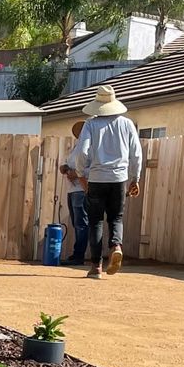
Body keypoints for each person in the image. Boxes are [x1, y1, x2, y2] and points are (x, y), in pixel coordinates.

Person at [68, 85, 142, 277]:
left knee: (96, 222)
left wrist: (81, 174)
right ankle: (116, 245)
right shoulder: (126, 124)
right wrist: (136, 178)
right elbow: (136, 153)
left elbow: (82, 153)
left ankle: (96, 267)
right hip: (119, 178)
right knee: (116, 217)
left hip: (97, 178)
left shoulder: (91, 124)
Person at [57, 119, 95, 268]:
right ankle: (78, 254)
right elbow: (72, 163)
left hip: (81, 188)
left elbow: (94, 169)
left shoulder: (92, 148)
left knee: (81, 224)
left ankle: (79, 255)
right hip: (73, 189)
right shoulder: (76, 147)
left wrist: (78, 174)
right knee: (77, 223)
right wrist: (66, 167)